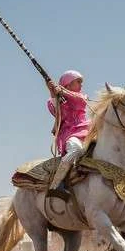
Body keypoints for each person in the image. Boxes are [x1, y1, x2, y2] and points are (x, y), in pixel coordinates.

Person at [46, 70, 91, 200]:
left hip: (86, 131)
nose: (81, 85)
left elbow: (79, 100)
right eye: (78, 82)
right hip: (70, 134)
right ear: (69, 84)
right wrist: (52, 92)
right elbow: (55, 110)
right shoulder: (58, 99)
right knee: (76, 149)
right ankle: (57, 183)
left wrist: (62, 91)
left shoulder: (81, 97)